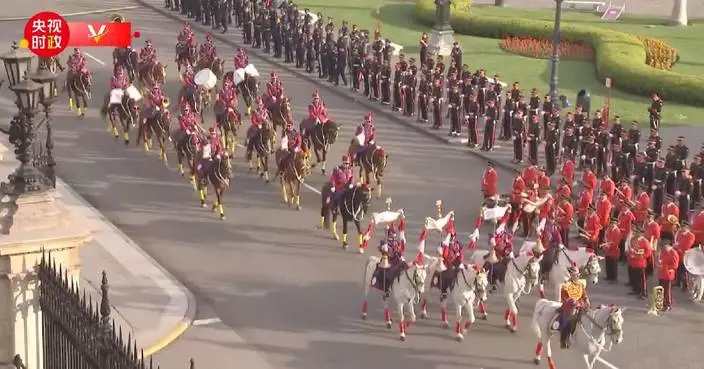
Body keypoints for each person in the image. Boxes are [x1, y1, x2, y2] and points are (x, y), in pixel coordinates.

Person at [553, 264, 589, 349]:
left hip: (580, 305)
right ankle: (563, 340)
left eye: (577, 275)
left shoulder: (580, 284)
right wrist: (573, 302)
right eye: (574, 275)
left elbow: (583, 293)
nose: (576, 276)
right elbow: (565, 297)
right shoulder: (566, 285)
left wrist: (586, 299)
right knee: (568, 321)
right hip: (569, 306)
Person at [371, 226, 406, 295]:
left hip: (396, 259)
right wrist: (384, 247)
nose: (394, 234)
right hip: (388, 260)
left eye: (394, 233)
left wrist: (401, 256)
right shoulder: (385, 242)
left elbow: (398, 251)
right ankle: (388, 288)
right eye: (393, 233)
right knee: (390, 272)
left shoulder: (396, 242)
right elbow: (383, 250)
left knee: (405, 267)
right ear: (389, 233)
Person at [658, 242, 680, 311]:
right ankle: (662, 303)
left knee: (667, 291)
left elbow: (675, 266)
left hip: (668, 275)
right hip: (661, 273)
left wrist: (664, 266)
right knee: (661, 290)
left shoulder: (673, 253)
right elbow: (661, 260)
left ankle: (668, 305)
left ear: (668, 246)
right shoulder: (663, 252)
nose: (663, 249)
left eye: (664, 247)